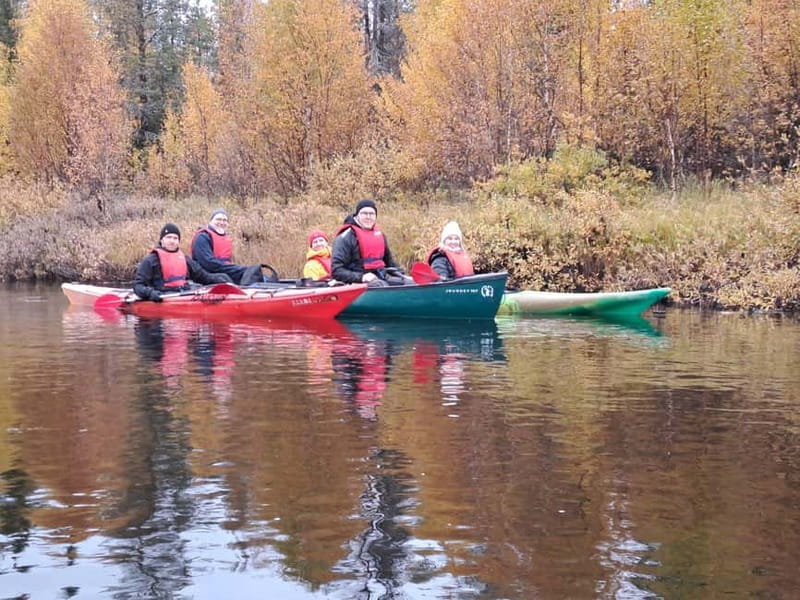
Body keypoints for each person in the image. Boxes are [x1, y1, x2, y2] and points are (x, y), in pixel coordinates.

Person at [133, 223, 232, 302]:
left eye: (175, 238)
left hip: (184, 294)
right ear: (162, 240)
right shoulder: (150, 260)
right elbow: (138, 286)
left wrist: (222, 279)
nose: (172, 241)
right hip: (163, 298)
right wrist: (150, 293)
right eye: (168, 237)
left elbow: (204, 277)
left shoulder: (185, 259)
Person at [331, 199, 407, 286]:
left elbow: (390, 263)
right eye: (364, 213)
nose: (368, 217)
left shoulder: (380, 235)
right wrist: (361, 277)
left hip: (380, 276)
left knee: (408, 282)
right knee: (380, 285)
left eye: (371, 214)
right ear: (357, 215)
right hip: (357, 281)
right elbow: (337, 271)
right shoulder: (345, 237)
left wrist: (403, 275)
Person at [191, 208, 265, 285]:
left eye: (224, 220)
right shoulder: (202, 237)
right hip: (207, 274)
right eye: (218, 219)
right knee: (244, 272)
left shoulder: (225, 238)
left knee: (253, 272)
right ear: (210, 221)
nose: (221, 222)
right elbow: (208, 264)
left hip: (223, 271)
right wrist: (236, 269)